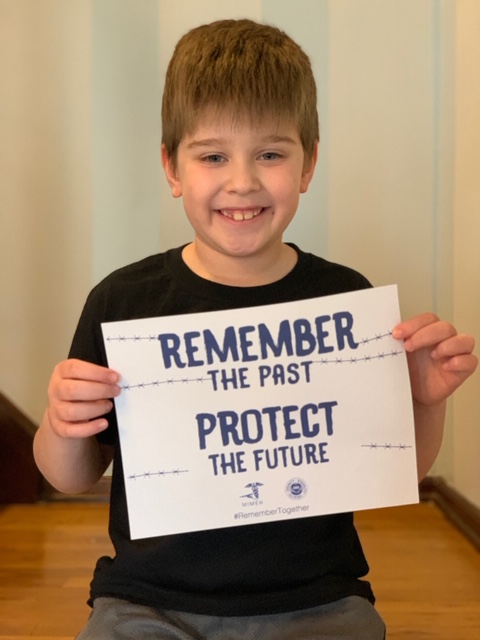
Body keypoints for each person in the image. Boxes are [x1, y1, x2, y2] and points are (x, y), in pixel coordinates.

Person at [33, 19, 477, 640]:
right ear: (172, 168)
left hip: (317, 600)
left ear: (307, 163)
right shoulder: (123, 300)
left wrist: (423, 402)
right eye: (213, 155)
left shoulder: (342, 300)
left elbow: (392, 470)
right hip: (148, 605)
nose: (241, 181)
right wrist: (60, 425)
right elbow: (70, 475)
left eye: (270, 153)